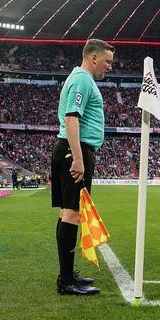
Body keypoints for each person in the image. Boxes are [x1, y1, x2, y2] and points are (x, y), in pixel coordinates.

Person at [51, 39, 114, 296]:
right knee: (72, 214)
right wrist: (78, 158)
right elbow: (71, 118)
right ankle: (66, 281)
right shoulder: (82, 80)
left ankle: (66, 275)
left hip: (71, 149)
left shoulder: (81, 79)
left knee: (68, 213)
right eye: (108, 61)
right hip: (74, 150)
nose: (109, 67)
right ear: (94, 57)